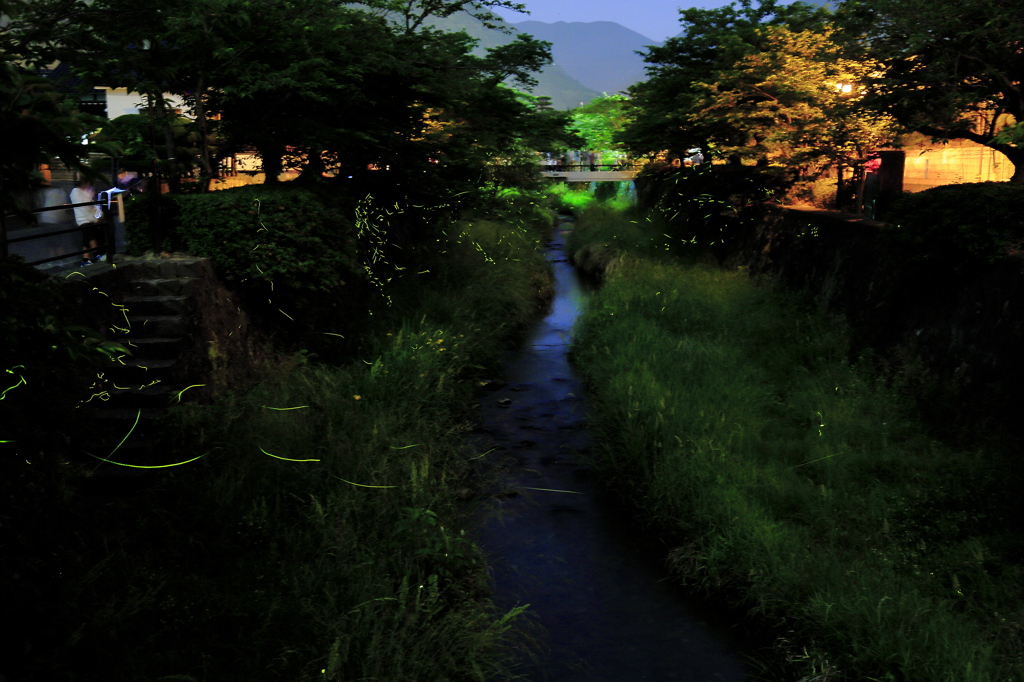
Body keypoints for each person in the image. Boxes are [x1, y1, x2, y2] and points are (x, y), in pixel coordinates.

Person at [70, 178, 105, 265]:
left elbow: (91, 205)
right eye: (88, 183)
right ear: (83, 183)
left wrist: (98, 215)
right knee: (91, 236)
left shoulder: (84, 192)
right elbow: (83, 208)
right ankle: (96, 255)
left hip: (87, 218)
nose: (89, 185)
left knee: (87, 239)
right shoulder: (76, 192)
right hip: (83, 219)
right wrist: (95, 218)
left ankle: (85, 260)